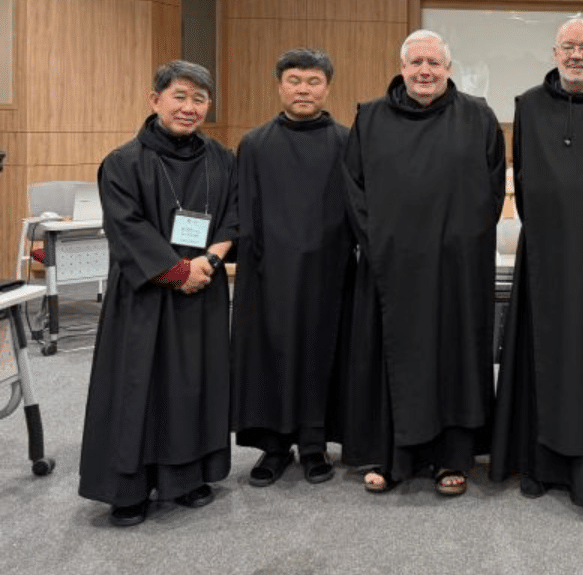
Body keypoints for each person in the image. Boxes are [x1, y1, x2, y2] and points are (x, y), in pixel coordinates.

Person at [340, 29, 505, 497]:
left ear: (448, 68)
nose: (425, 71)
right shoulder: (370, 117)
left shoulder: (477, 116)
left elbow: (492, 188)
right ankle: (393, 458)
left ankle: (451, 458)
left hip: (456, 268)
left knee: (453, 358)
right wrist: (379, 242)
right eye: (416, 63)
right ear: (402, 67)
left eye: (434, 63)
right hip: (390, 264)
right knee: (394, 358)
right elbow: (354, 188)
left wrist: (466, 242)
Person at [490, 17, 583, 510]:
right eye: (569, 46)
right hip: (545, 260)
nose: (577, 55)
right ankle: (539, 463)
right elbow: (527, 180)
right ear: (554, 52)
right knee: (542, 357)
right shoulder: (527, 108)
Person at [79, 61, 237, 526]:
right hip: (146, 298)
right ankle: (128, 489)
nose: (190, 108)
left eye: (200, 99)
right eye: (180, 96)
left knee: (194, 387)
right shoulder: (123, 162)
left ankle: (187, 478)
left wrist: (208, 261)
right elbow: (126, 228)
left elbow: (235, 214)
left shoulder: (223, 159)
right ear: (156, 100)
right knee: (138, 388)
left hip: (203, 290)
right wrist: (175, 272)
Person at [230, 48, 354, 487]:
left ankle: (316, 442)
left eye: (313, 81)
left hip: (330, 271)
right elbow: (243, 210)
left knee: (323, 352)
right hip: (268, 273)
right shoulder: (255, 143)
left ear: (327, 87)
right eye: (295, 80)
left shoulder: (347, 141)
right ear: (280, 85)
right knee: (270, 354)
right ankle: (274, 444)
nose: (304, 89)